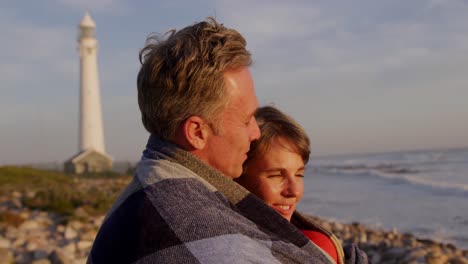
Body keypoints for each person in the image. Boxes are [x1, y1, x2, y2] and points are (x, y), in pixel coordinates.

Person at [87, 18, 337, 263]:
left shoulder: (150, 188)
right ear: (197, 132)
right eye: (246, 119)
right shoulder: (212, 240)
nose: (256, 133)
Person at [236, 106, 369, 264]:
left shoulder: (314, 244)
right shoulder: (226, 245)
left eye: (299, 174)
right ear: (237, 177)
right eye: (276, 175)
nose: (295, 191)